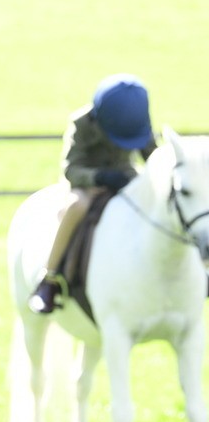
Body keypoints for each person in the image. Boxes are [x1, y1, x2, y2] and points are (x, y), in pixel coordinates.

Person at [28, 74, 156, 314]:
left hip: (126, 179)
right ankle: (49, 278)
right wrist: (100, 177)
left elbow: (154, 157)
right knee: (76, 207)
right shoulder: (82, 122)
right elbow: (71, 169)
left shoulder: (137, 122)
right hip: (87, 185)